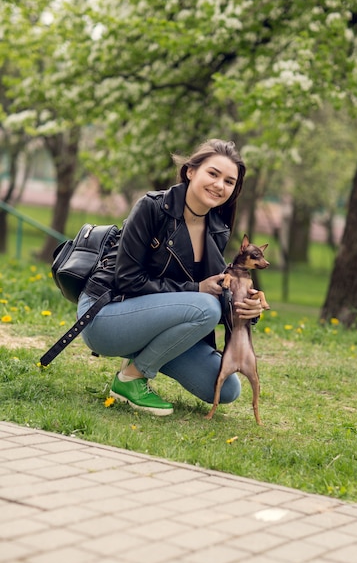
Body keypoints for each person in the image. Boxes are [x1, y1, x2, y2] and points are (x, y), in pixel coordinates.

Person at [77, 138, 265, 416]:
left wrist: (250, 308)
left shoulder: (217, 229)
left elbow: (216, 290)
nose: (219, 185)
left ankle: (142, 357)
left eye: (229, 181)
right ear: (191, 172)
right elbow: (127, 280)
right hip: (105, 315)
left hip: (153, 323)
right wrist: (195, 288)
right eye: (213, 174)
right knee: (206, 307)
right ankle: (131, 378)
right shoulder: (153, 207)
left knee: (227, 390)